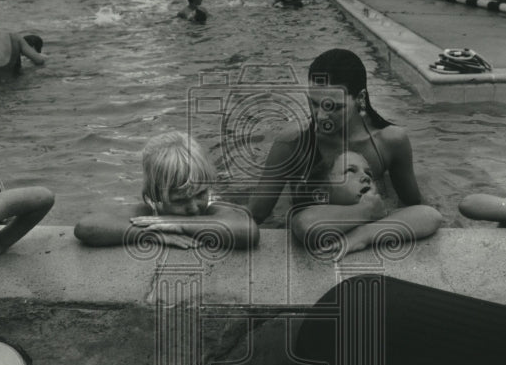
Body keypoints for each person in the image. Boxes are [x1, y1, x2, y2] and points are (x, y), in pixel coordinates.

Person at [248, 48, 423, 225]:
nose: (321, 116)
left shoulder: (389, 142)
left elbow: (413, 204)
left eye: (335, 107)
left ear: (360, 98)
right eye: (314, 104)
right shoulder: (292, 143)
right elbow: (255, 215)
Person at [74, 131, 258, 250]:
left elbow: (248, 232)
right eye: (179, 201)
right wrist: (150, 232)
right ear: (154, 196)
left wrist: (178, 222)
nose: (194, 208)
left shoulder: (212, 209)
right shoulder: (150, 212)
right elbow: (87, 227)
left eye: (201, 194)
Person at [292, 150, 441, 257]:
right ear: (321, 195)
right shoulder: (369, 210)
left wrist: (364, 233)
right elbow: (306, 225)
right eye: (350, 171)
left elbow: (430, 215)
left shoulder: (378, 214)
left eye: (369, 173)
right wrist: (365, 210)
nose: (365, 177)